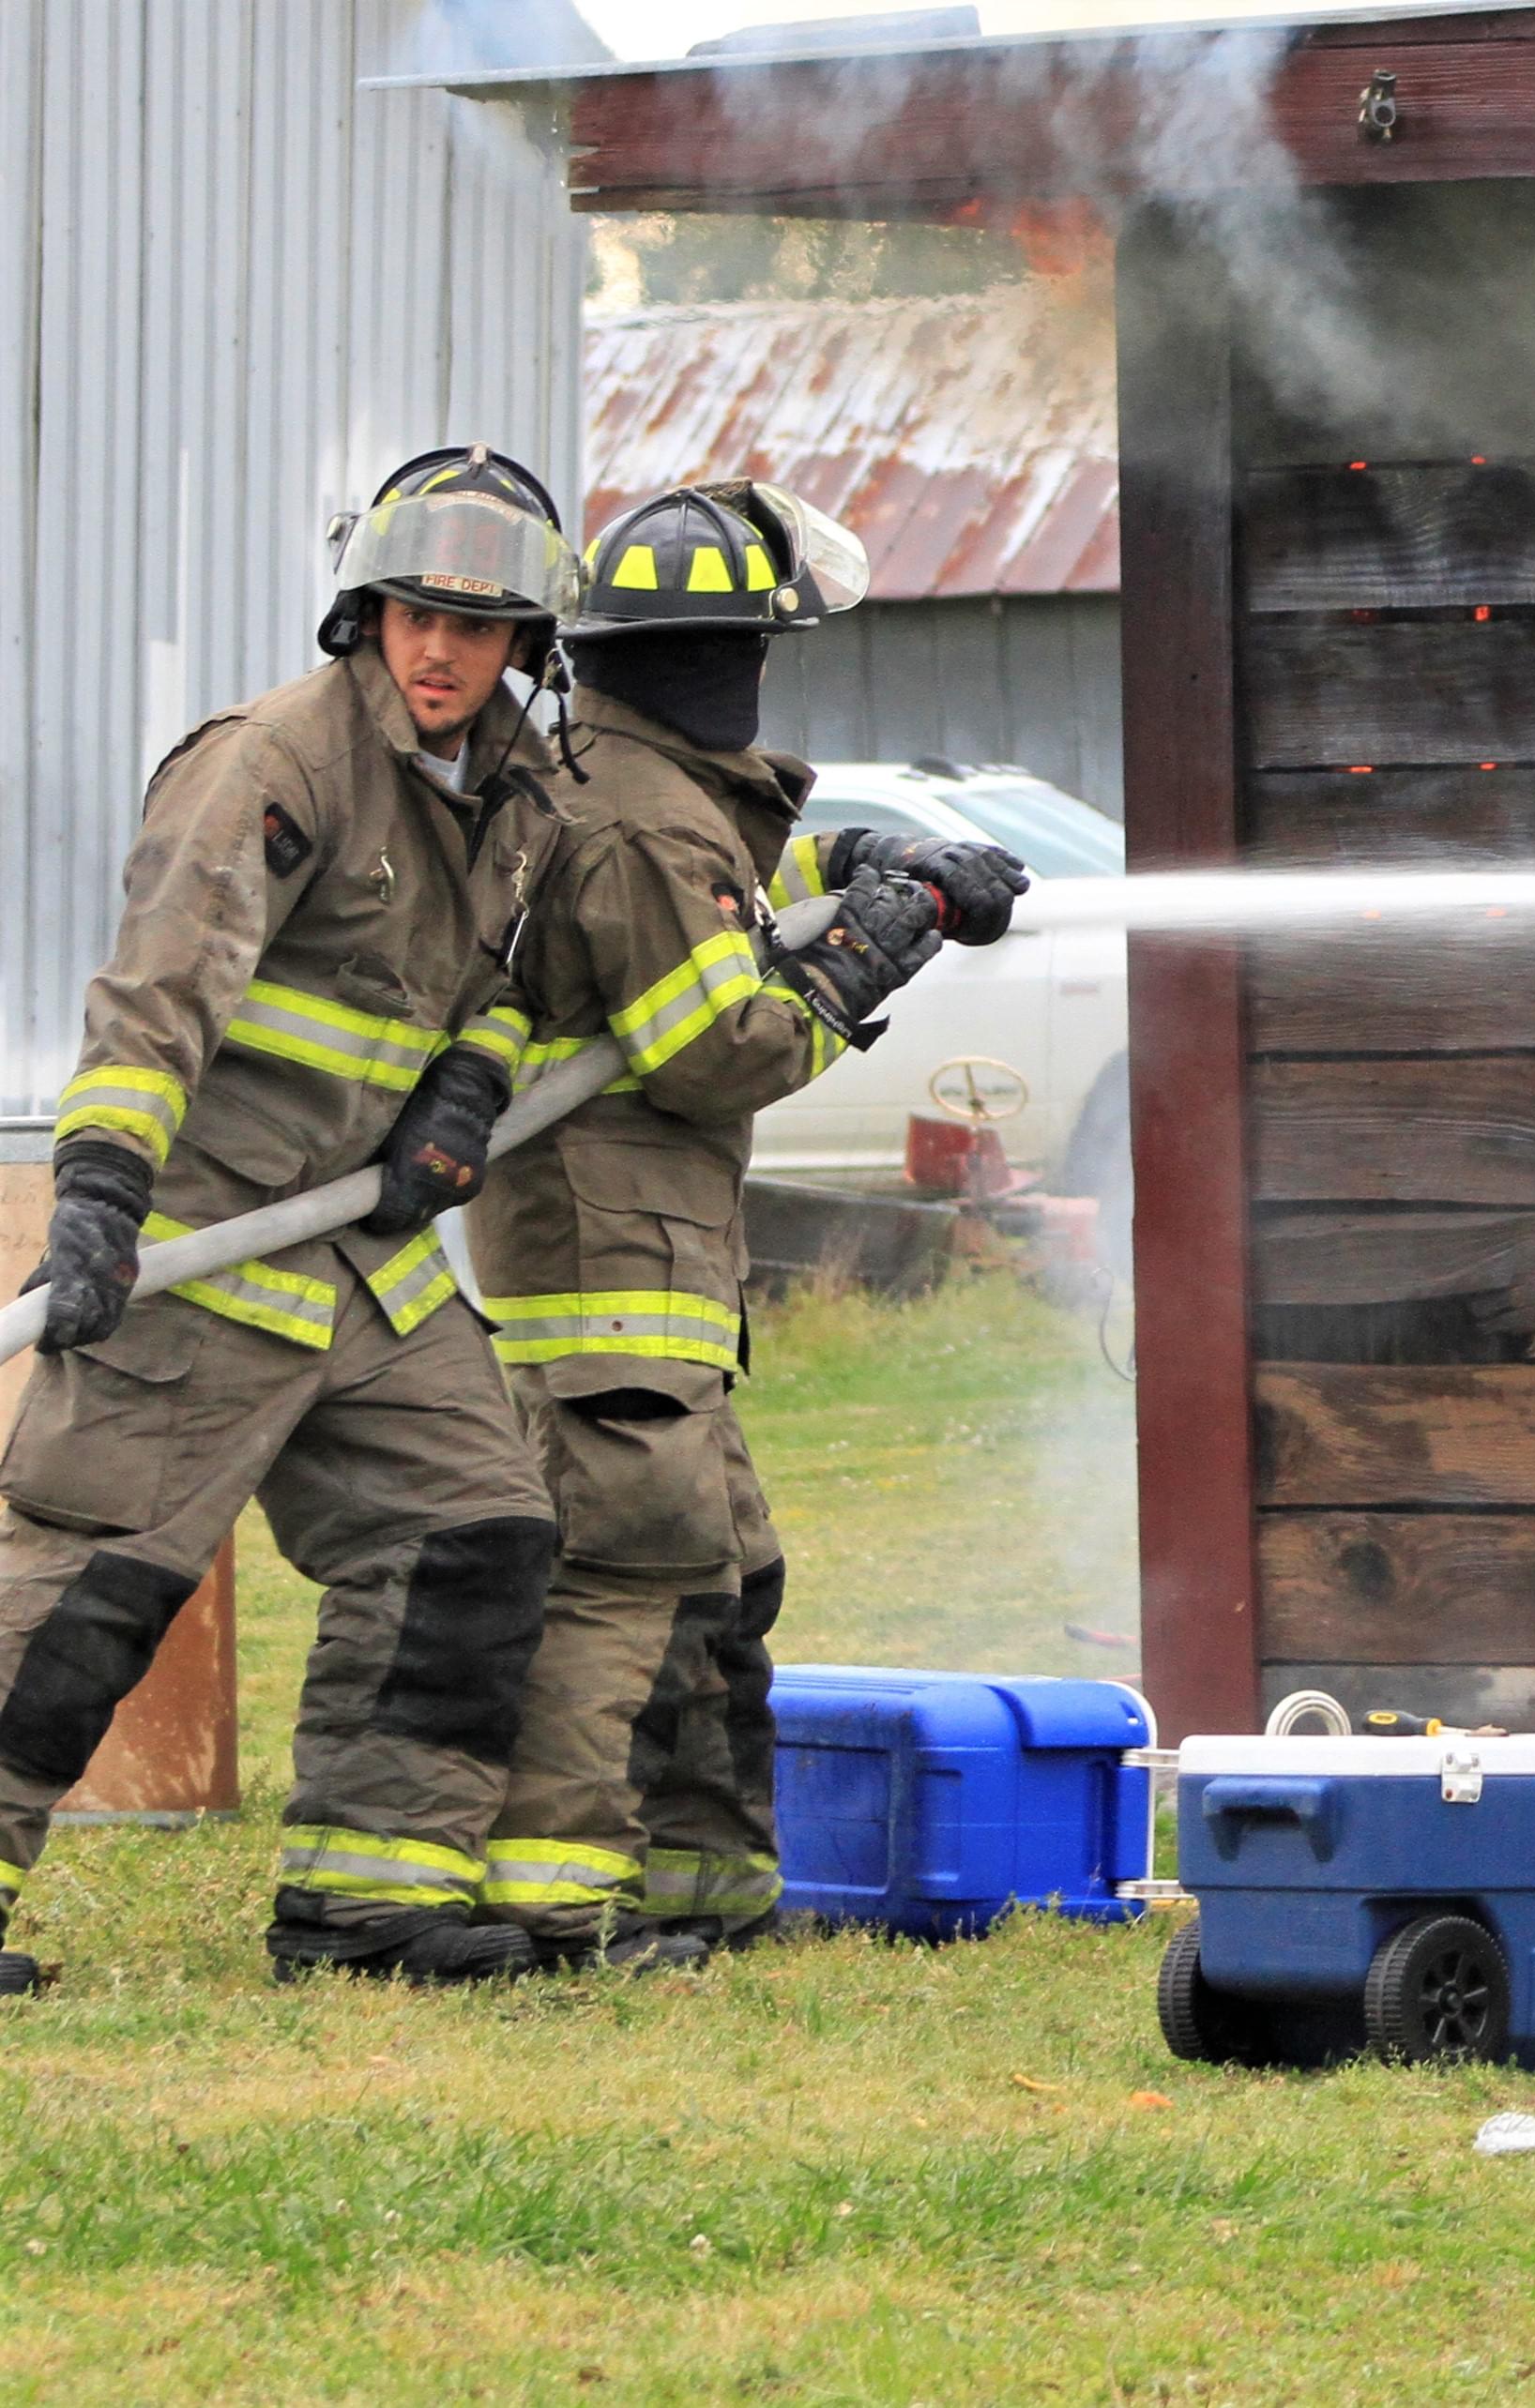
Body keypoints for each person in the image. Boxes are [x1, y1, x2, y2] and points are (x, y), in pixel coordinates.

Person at [0, 447, 583, 1990]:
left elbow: (511, 983)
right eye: (413, 614)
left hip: (362, 1265)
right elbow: (156, 994)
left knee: (473, 1532)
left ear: (529, 643)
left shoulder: (521, 790)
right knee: (83, 1597)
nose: (441, 650)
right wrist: (105, 1192)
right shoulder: (274, 762)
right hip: (198, 1254)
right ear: (365, 612)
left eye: (479, 624)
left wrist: (473, 1079)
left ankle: (366, 1904)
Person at [469, 478, 1026, 1965]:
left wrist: (853, 875)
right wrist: (867, 958)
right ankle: (558, 1910)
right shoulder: (642, 818)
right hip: (609, 1270)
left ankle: (705, 1899)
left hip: (653, 1270)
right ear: (735, 653)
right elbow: (714, 1045)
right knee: (625, 1587)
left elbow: (718, 897)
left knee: (723, 1581)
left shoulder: (625, 778)